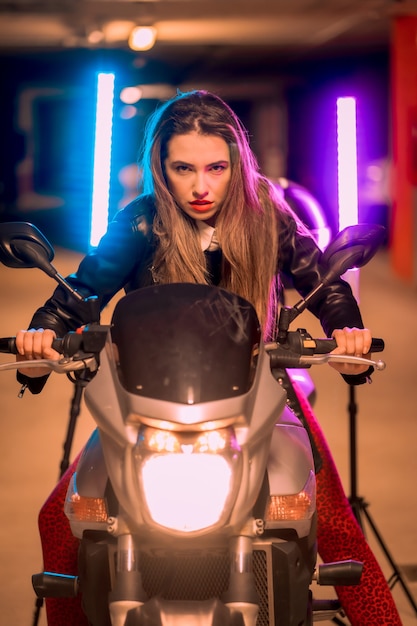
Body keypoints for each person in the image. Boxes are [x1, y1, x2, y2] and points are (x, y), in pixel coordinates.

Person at [15, 90, 401, 625]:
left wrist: (348, 330)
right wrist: (42, 333)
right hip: (147, 396)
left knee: (333, 524)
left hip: (260, 386)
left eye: (216, 168)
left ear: (236, 163)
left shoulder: (267, 210)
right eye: (183, 169)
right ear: (161, 167)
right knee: (65, 519)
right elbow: (82, 291)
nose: (201, 186)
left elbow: (322, 282)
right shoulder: (142, 221)